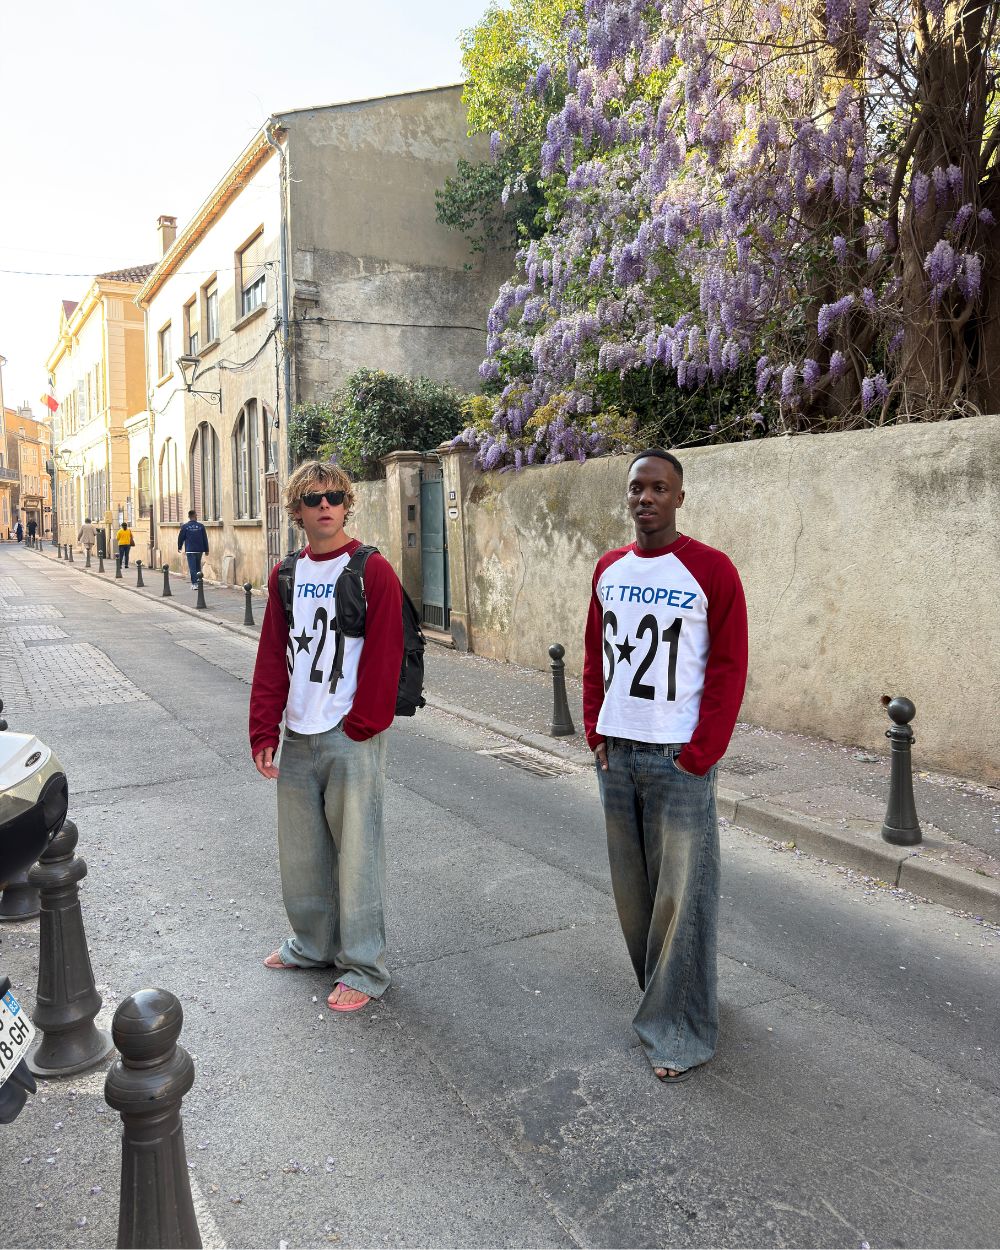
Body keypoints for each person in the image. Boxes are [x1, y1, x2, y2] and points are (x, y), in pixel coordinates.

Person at [582, 448, 748, 1084]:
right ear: (626, 498)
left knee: (684, 898)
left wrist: (701, 753)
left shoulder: (711, 570)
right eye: (636, 488)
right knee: (636, 897)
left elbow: (729, 667)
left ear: (679, 497)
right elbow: (598, 656)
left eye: (659, 488)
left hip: (679, 757)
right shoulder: (609, 569)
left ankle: (681, 1031)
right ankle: (672, 997)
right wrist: (596, 731)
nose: (645, 498)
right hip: (618, 755)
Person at [249, 460, 403, 1013]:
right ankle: (312, 945)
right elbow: (272, 654)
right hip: (298, 730)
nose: (325, 506)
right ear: (296, 510)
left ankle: (364, 968)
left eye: (335, 497)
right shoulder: (286, 574)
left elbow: (387, 654)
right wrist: (264, 728)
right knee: (302, 851)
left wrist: (362, 724)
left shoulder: (371, 570)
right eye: (313, 498)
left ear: (347, 505)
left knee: (358, 855)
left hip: (348, 732)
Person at [177, 510, 209, 587]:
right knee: (198, 567)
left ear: (189, 517)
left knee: (192, 568)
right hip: (199, 550)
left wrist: (179, 546)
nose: (197, 517)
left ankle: (194, 584)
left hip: (190, 550)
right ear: (195, 516)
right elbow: (205, 538)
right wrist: (206, 549)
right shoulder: (201, 526)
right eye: (196, 515)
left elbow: (181, 537)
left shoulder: (185, 527)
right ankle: (199, 583)